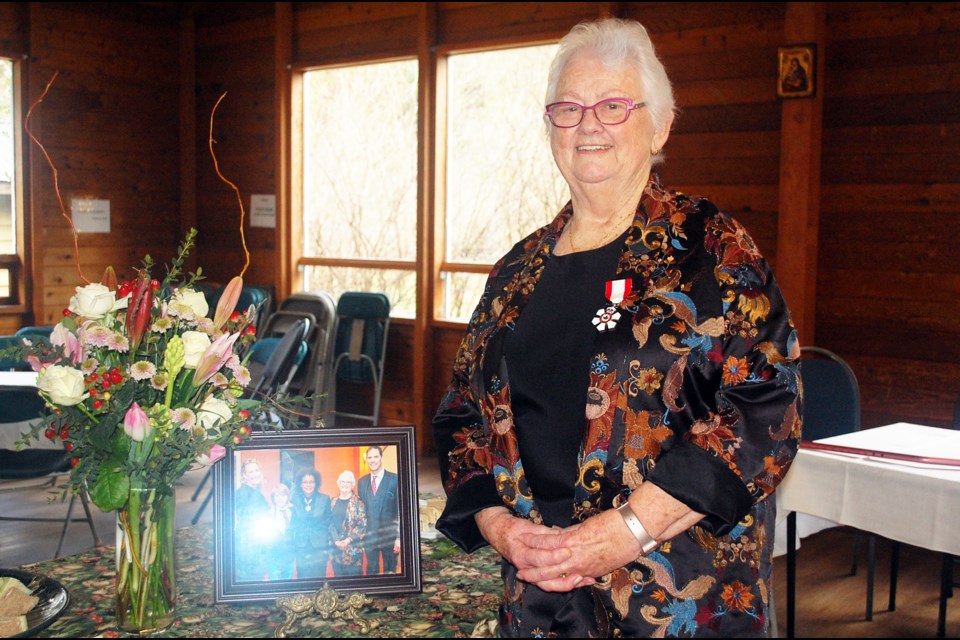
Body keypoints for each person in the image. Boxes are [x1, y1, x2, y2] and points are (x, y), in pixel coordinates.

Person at [431, 17, 801, 638]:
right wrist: (501, 528)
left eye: (612, 105)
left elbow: (767, 409)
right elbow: (463, 412)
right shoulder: (516, 270)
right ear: (549, 128)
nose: (588, 125)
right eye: (568, 109)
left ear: (659, 124)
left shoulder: (711, 247)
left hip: (678, 596)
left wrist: (625, 530)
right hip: (537, 597)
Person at [357, 446, 400, 574]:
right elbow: (361, 512)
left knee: (390, 572)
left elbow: (400, 511)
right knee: (371, 572)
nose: (373, 460)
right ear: (366, 460)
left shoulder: (395, 479)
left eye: (376, 457)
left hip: (389, 537)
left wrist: (399, 537)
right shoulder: (361, 482)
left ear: (381, 457)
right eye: (369, 457)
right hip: (369, 537)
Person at [288, 467, 332, 579]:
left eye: (311, 482)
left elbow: (328, 522)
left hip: (319, 546)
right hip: (301, 546)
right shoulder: (294, 499)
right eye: (305, 482)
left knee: (319, 577)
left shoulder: (325, 499)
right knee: (302, 576)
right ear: (300, 484)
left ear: (316, 483)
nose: (308, 485)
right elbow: (291, 523)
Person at [234, 458, 270, 582]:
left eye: (257, 470)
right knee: (248, 577)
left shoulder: (255, 491)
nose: (255, 474)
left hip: (254, 541)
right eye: (251, 472)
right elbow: (246, 520)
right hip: (248, 543)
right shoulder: (244, 493)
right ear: (244, 475)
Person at [328, 470, 367, 576]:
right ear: (338, 483)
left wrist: (348, 540)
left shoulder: (358, 502)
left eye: (348, 482)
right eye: (342, 481)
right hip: (336, 550)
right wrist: (336, 540)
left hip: (353, 551)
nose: (345, 484)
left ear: (352, 484)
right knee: (338, 584)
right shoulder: (332, 501)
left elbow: (363, 524)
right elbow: (329, 523)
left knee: (354, 584)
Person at [266, 483, 294, 580]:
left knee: (288, 586)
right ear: (273, 498)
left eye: (283, 495)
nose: (280, 498)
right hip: (273, 557)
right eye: (277, 496)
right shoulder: (268, 514)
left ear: (287, 497)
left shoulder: (293, 513)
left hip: (289, 557)